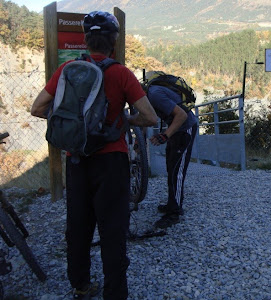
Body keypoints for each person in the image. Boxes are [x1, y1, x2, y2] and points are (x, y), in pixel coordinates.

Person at [31, 11, 157, 300]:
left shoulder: (67, 70)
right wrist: (125, 121)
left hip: (77, 159)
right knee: (112, 229)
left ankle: (81, 285)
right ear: (113, 41)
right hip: (112, 161)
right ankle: (115, 293)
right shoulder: (120, 73)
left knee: (78, 225)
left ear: (86, 40)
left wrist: (72, 125)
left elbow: (37, 109)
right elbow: (149, 117)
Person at [145, 74, 197, 229]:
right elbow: (145, 117)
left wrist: (165, 135)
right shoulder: (148, 95)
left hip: (184, 128)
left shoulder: (154, 95)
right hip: (175, 130)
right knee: (170, 166)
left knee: (177, 171)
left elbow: (181, 115)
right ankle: (171, 203)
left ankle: (175, 212)